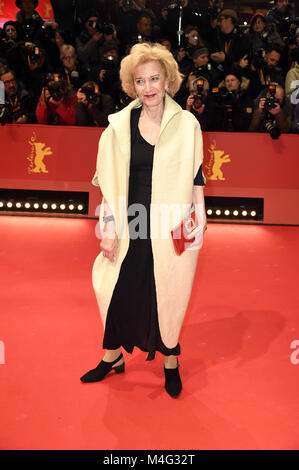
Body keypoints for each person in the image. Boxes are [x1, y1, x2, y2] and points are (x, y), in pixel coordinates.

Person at [80, 42, 207, 398]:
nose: (148, 87)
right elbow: (106, 182)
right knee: (116, 289)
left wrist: (201, 212)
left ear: (168, 79)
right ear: (131, 85)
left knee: (167, 292)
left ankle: (170, 361)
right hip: (131, 221)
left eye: (154, 78)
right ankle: (112, 356)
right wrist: (107, 226)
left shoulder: (187, 124)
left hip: (170, 222)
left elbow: (196, 173)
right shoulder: (118, 127)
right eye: (140, 81)